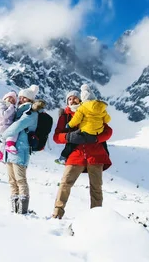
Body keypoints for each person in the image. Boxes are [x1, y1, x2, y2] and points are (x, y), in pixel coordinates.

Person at [52, 85, 113, 219]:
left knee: (96, 187)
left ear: (81, 100)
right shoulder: (65, 117)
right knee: (65, 183)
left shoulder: (92, 111)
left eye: (75, 99)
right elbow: (56, 137)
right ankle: (57, 213)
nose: (72, 101)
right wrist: (69, 137)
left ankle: (96, 217)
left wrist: (96, 138)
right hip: (75, 155)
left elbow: (108, 131)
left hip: (95, 155)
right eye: (69, 99)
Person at [0, 84, 41, 214]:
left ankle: (22, 210)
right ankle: (15, 209)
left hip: (20, 149)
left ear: (30, 100)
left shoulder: (30, 112)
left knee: (20, 180)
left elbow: (18, 125)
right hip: (10, 150)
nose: (21, 100)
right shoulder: (18, 111)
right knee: (12, 181)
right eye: (21, 97)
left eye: (25, 98)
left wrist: (3, 136)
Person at [0, 91, 19, 162]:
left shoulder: (8, 107)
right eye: (10, 98)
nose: (11, 101)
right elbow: (4, 115)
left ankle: (1, 156)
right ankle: (10, 145)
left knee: (3, 142)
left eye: (13, 101)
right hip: (3, 125)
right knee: (14, 132)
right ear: (5, 99)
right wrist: (11, 108)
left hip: (4, 126)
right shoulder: (0, 106)